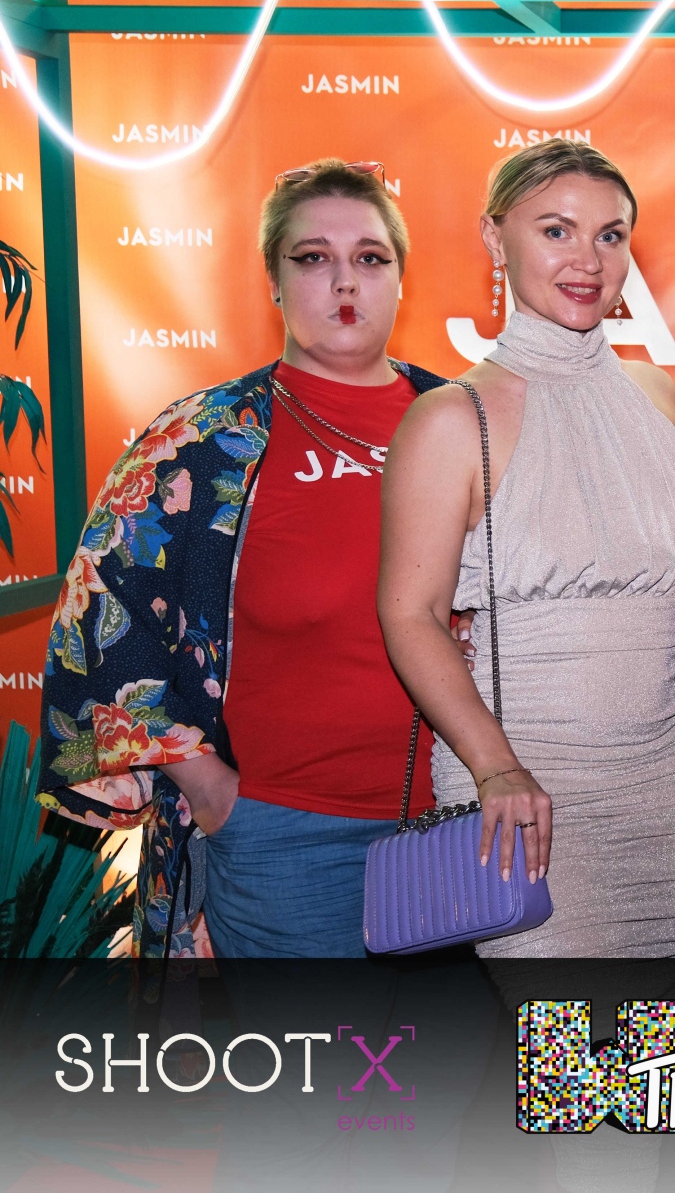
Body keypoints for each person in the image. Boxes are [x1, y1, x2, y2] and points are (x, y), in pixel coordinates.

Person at [36, 159, 451, 957]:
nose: (345, 282)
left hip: (468, 822)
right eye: (313, 258)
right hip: (284, 840)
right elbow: (95, 625)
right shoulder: (200, 438)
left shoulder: (466, 421)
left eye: (370, 257)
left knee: (482, 1042)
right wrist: (209, 788)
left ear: (402, 277)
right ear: (273, 280)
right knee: (319, 1047)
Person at [379, 138, 675, 959]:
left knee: (643, 1033)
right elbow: (410, 614)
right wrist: (496, 768)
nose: (588, 260)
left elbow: (668, 576)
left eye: (610, 234)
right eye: (556, 231)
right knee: (564, 1037)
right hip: (524, 786)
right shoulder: (452, 418)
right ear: (495, 238)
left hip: (665, 786)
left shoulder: (653, 394)